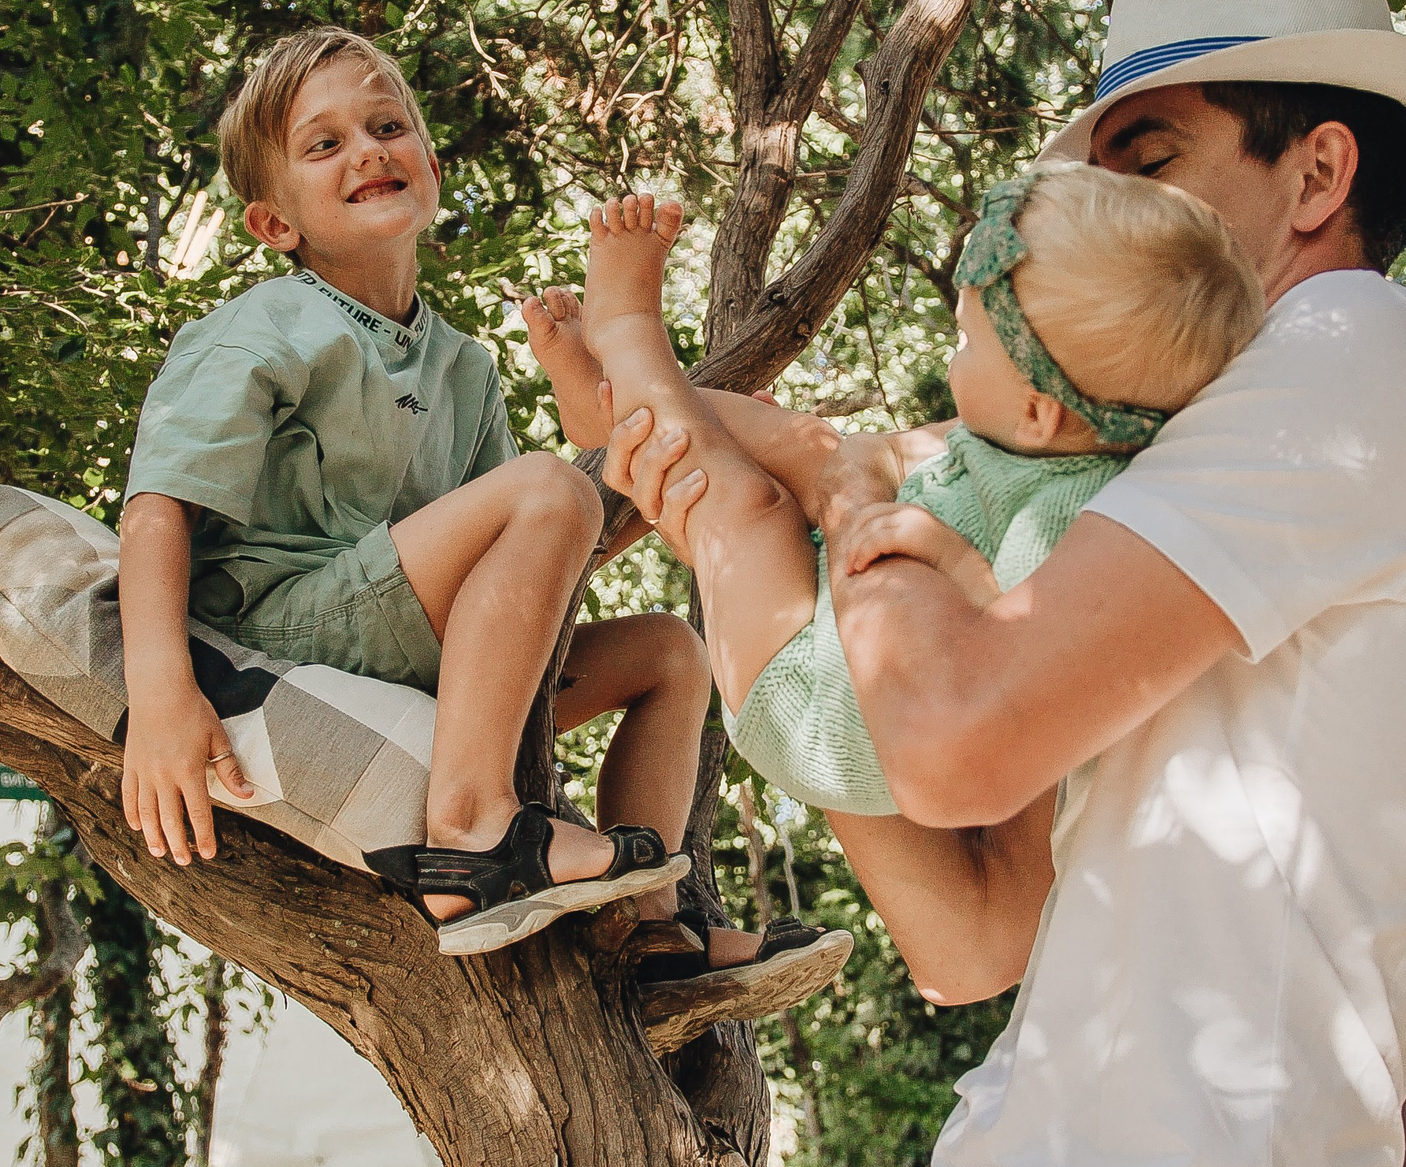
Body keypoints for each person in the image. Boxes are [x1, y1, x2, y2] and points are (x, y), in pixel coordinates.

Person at [606, 0, 1406, 1167]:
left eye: (1148, 160)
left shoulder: (1351, 338)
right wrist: (768, 596)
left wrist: (853, 502)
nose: (1102, 214)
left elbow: (960, 744)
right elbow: (968, 933)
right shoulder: (1134, 498)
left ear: (1318, 175)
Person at [116, 26, 845, 1011]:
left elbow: (513, 578)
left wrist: (575, 372)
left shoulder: (462, 364)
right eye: (322, 145)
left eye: (386, 125)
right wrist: (161, 693)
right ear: (273, 223)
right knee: (554, 486)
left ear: (431, 165)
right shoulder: (267, 323)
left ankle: (653, 929)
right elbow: (159, 501)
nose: (368, 150)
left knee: (668, 652)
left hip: (410, 640)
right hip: (284, 634)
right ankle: (469, 831)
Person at [527, 164, 1260, 823]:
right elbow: (865, 459)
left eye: (970, 342)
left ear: (1041, 412)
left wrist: (939, 545)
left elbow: (1014, 633)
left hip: (819, 702)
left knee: (749, 508)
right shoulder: (1035, 429)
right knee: (796, 440)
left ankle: (628, 332)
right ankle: (606, 406)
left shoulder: (1070, 510)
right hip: (835, 614)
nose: (952, 351)